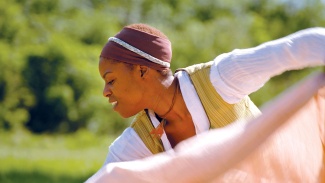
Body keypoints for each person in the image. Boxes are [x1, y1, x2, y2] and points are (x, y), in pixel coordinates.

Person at [97, 24, 325, 168]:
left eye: (111, 80)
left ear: (142, 71)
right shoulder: (140, 138)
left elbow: (297, 47)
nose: (106, 92)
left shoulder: (220, 78)